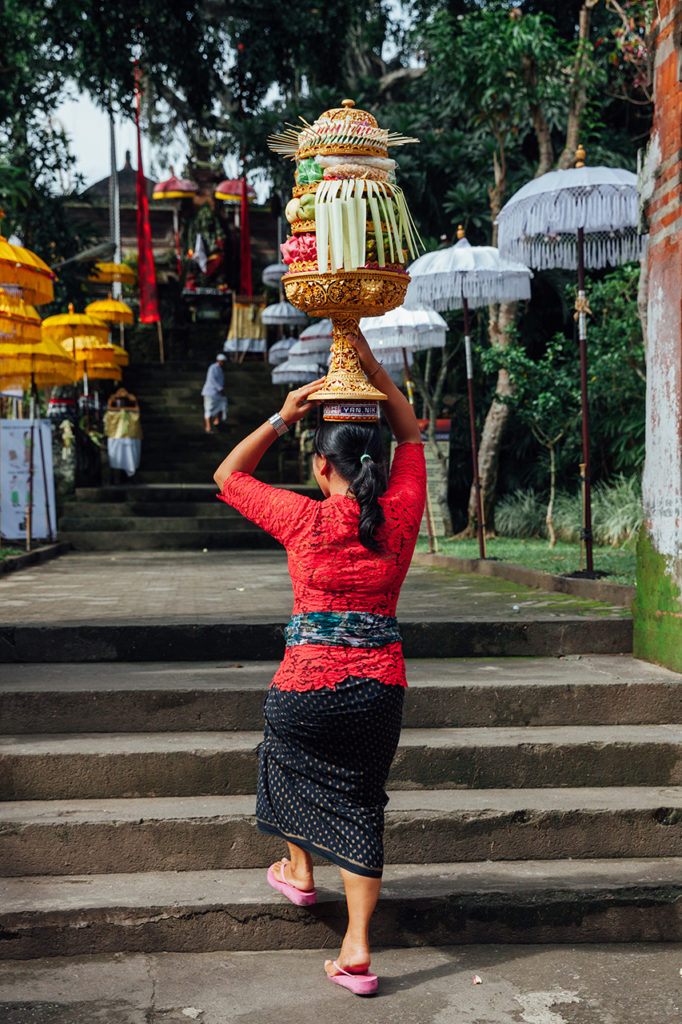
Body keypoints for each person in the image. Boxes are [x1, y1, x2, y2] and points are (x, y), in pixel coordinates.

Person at [213, 331, 426, 997]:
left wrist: (282, 414)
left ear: (321, 467)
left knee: (280, 749)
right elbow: (411, 431)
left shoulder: (302, 519)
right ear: (381, 465)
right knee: (362, 802)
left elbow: (227, 476)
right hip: (378, 690)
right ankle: (357, 948)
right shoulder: (404, 511)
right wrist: (366, 356)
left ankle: (299, 871)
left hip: (304, 689)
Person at [201, 353, 228, 433]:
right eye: (221, 361)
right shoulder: (213, 368)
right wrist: (220, 389)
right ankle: (208, 427)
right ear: (218, 361)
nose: (223, 363)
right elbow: (212, 379)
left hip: (218, 394)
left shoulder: (220, 369)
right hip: (210, 392)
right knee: (208, 409)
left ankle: (217, 421)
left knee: (222, 405)